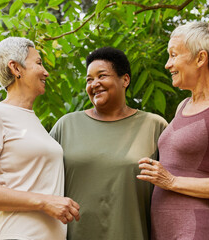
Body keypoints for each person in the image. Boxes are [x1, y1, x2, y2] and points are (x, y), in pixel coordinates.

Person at [137, 21, 209, 240]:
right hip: (162, 229)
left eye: (173, 55)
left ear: (200, 58)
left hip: (196, 228)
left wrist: (171, 181)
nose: (167, 64)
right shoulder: (183, 106)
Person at [0, 37, 80, 240]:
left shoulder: (34, 123)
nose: (46, 72)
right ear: (16, 68)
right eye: (39, 63)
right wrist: (44, 202)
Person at [50, 47, 168, 239]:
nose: (94, 84)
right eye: (89, 79)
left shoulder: (154, 126)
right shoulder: (66, 125)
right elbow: (38, 176)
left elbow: (177, 179)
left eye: (102, 76)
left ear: (125, 80)